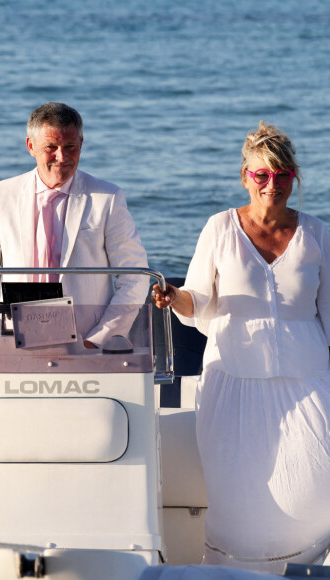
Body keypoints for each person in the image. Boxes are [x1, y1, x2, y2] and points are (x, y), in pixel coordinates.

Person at [151, 121, 330, 573]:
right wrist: (174, 298)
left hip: (307, 382)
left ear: (295, 178)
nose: (273, 185)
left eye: (283, 176)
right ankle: (231, 573)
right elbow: (199, 299)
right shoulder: (220, 229)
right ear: (245, 176)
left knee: (314, 487)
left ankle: (306, 568)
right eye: (262, 175)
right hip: (232, 382)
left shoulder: (318, 235)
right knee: (238, 498)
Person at [0, 102, 148, 370]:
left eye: (70, 147)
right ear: (30, 146)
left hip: (87, 348)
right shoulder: (0, 196)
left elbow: (136, 276)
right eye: (51, 147)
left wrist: (99, 339)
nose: (62, 157)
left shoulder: (108, 198)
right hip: (15, 342)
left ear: (81, 144)